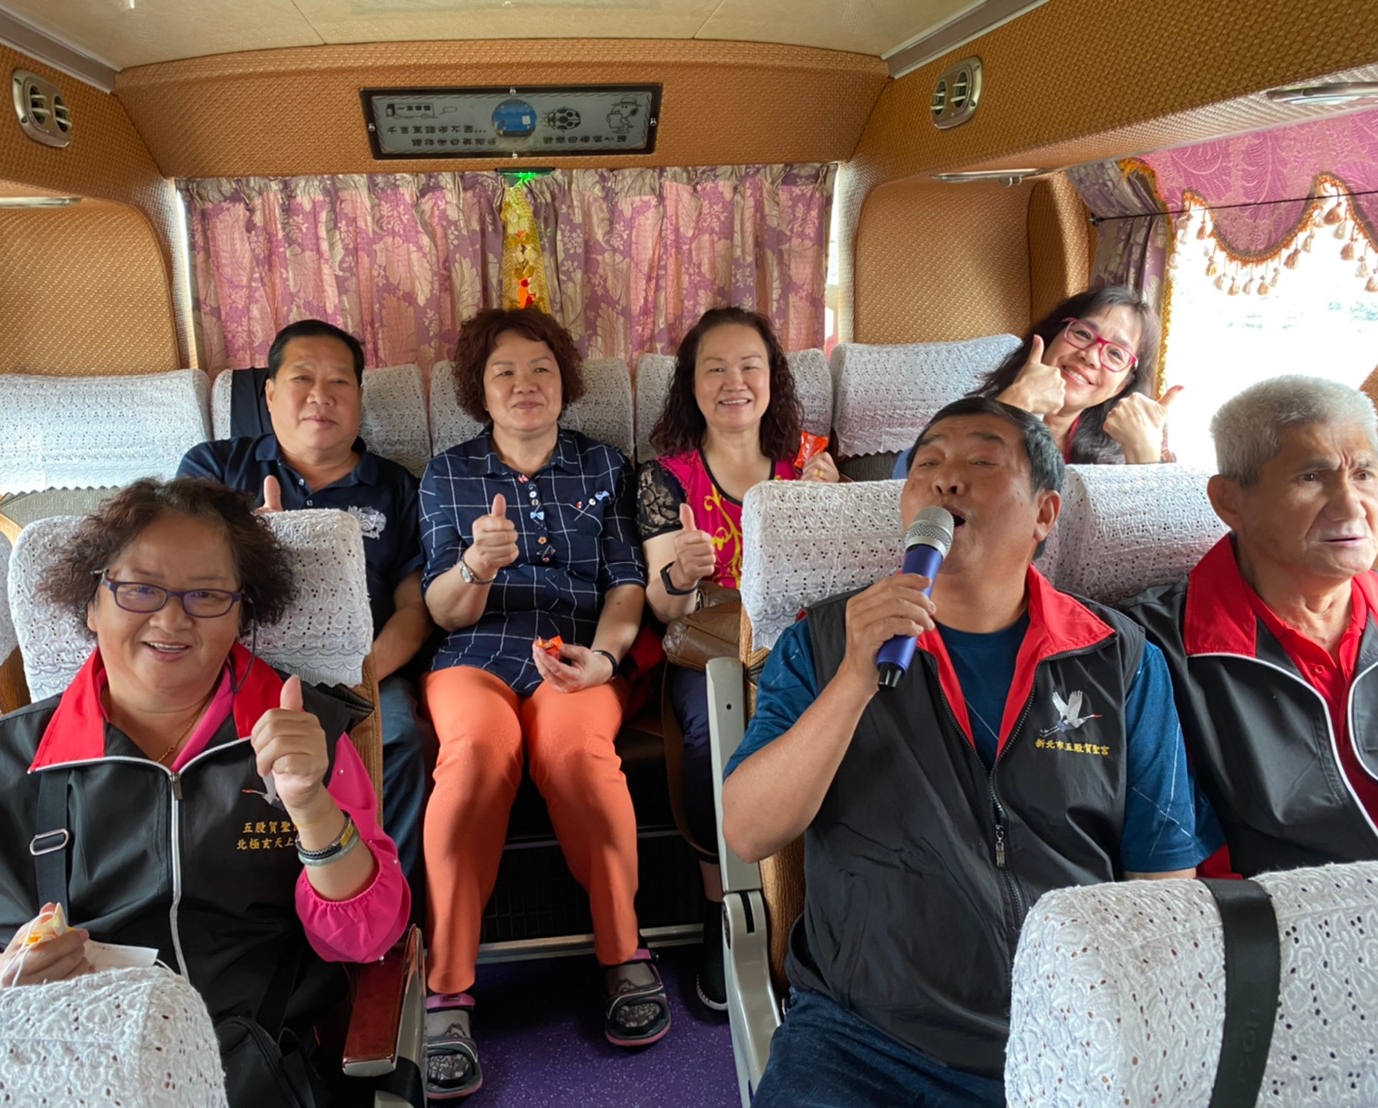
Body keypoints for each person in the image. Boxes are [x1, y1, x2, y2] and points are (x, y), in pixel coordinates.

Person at [723, 397, 1215, 1106]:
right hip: (863, 1039)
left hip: (1069, 1028)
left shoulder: (1119, 660)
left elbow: (1161, 881)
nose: (946, 479)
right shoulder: (823, 642)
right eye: (927, 464)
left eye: (983, 461)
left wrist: (1138, 1033)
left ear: (1045, 514)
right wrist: (854, 681)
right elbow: (748, 831)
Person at [0, 477, 410, 1104]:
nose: (171, 619)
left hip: (254, 1074)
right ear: (92, 604)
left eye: (207, 594)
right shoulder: (6, 763)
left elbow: (368, 939)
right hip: (65, 1075)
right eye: (140, 588)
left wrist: (311, 806)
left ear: (242, 612)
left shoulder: (305, 733)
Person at [417, 306, 665, 1100]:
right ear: (479, 390)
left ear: (565, 382)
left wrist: (607, 658)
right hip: (475, 657)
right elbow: (441, 611)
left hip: (577, 657)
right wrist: (475, 568)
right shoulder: (448, 474)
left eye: (541, 369)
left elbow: (627, 585)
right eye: (505, 372)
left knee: (580, 758)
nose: (525, 385)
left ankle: (624, 954)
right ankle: (447, 989)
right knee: (472, 762)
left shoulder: (605, 466)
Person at [179, 319, 435, 916]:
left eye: (339, 381)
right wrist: (253, 551)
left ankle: (390, 919)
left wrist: (359, 676)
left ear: (359, 397)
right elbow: (181, 584)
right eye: (302, 379)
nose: (321, 395)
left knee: (399, 736)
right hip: (234, 673)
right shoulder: (214, 471)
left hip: (364, 676)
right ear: (270, 393)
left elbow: (413, 609)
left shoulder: (396, 487)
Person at [637, 305, 838, 1010]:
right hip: (710, 648)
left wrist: (830, 512)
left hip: (798, 641)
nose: (733, 382)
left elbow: (841, 580)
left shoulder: (810, 466)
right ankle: (722, 907)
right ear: (690, 384)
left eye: (749, 366)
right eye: (714, 368)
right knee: (705, 736)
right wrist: (682, 572)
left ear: (772, 378)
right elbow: (665, 608)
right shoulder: (665, 478)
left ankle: (827, 900)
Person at [1122, 376, 1378, 876]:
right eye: (1312, 477)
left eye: (1364, 474)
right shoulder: (1150, 650)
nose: (1351, 506)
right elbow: (1168, 866)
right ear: (1230, 501)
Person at [888, 285, 1175, 477]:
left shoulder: (1119, 456)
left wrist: (1145, 455)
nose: (1090, 356)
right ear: (1049, 338)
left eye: (1115, 354)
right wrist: (1013, 406)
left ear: (1123, 385)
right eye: (1083, 334)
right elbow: (911, 485)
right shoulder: (962, 419)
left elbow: (1149, 544)